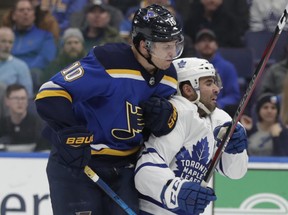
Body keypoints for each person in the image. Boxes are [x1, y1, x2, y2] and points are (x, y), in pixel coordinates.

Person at [35, 4, 184, 215]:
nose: (172, 53)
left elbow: (164, 126)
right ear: (144, 45)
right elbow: (49, 93)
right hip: (78, 166)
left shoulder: (169, 78)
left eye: (175, 44)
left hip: (125, 169)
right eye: (165, 46)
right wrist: (70, 132)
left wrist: (165, 118)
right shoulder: (109, 62)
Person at [135, 57, 248, 215]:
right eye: (209, 83)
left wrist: (236, 151)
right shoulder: (177, 113)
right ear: (188, 89)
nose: (217, 89)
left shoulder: (220, 119)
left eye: (215, 82)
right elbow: (144, 170)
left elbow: (235, 173)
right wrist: (177, 190)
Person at [194, 28, 241, 116]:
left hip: (219, 111)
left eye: (210, 40)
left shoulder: (227, 67)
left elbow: (234, 96)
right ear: (196, 46)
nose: (207, 44)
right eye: (203, 40)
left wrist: (218, 104)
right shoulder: (191, 67)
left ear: (216, 45)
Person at [0, 84, 50, 152]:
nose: (20, 102)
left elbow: (45, 153)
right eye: (16, 98)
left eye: (23, 98)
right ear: (7, 101)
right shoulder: (2, 125)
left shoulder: (39, 126)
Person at [0, 27, 33, 98]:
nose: (7, 46)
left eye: (10, 42)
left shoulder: (21, 66)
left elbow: (27, 95)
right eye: (3, 41)